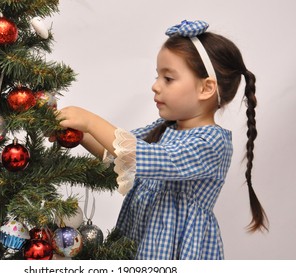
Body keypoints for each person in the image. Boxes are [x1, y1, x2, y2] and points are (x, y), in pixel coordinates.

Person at [56, 20, 268, 259]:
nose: (155, 86)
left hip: (174, 250)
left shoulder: (212, 142)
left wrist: (91, 121)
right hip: (138, 240)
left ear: (206, 88)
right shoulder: (164, 127)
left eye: (168, 79)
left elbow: (136, 154)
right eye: (158, 76)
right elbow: (115, 151)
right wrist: (78, 133)